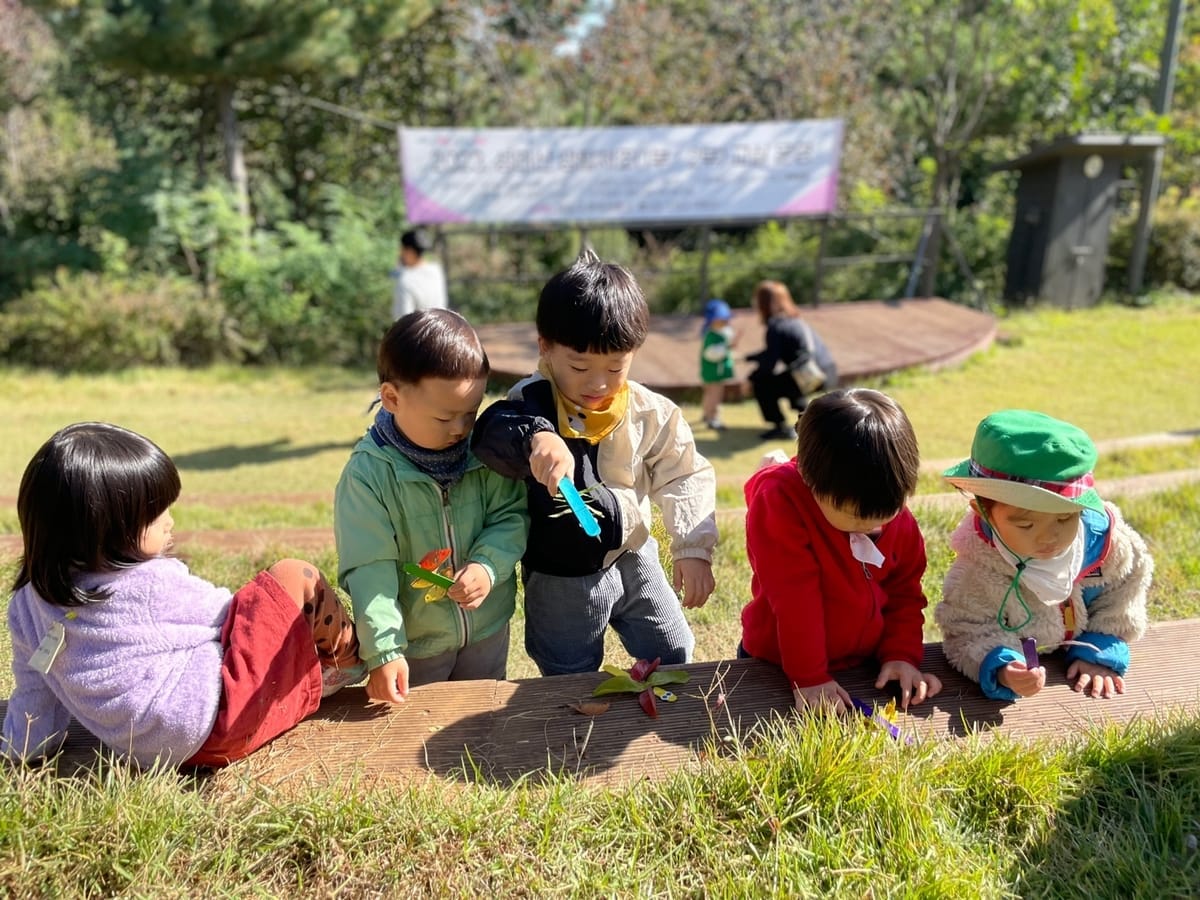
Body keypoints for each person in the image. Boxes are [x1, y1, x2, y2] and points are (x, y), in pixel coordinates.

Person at [2, 422, 364, 769]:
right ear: (103, 530)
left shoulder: (28, 604)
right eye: (154, 515)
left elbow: (35, 689)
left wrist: (22, 746)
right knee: (292, 576)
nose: (169, 521)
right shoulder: (148, 582)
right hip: (220, 722)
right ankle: (346, 663)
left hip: (146, 750)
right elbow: (234, 617)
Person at [471, 247, 718, 676]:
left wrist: (693, 548)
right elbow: (492, 433)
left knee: (673, 650)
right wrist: (538, 438)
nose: (599, 383)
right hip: (561, 574)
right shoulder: (532, 401)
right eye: (580, 367)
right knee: (568, 672)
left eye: (615, 368)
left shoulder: (646, 410)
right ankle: (576, 715)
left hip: (634, 554)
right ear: (546, 347)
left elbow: (685, 473)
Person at [334, 308, 528, 705]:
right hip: (415, 646)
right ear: (392, 398)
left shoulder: (483, 452)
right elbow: (370, 569)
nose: (460, 428)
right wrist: (385, 650)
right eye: (444, 417)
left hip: (486, 630)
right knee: (417, 725)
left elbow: (510, 515)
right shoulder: (369, 476)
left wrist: (487, 567)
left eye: (471, 412)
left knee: (483, 717)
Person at [740, 388, 942, 712]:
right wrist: (808, 677)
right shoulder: (781, 503)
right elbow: (795, 600)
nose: (872, 527)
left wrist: (900, 655)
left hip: (863, 665)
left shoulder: (897, 519)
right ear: (808, 478)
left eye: (886, 514)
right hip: (778, 666)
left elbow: (904, 593)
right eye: (855, 517)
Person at [936, 410, 1153, 702]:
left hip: (1088, 648)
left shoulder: (1107, 545)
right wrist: (1004, 666)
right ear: (984, 513)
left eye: (1065, 519)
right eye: (1025, 524)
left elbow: (1125, 591)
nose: (1049, 537)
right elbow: (968, 629)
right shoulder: (979, 566)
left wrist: (1101, 645)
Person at [746, 280, 837, 441]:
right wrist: (749, 358)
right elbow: (773, 353)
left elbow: (770, 364)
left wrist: (751, 378)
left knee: (762, 383)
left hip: (810, 376)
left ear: (763, 303)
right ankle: (806, 421)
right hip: (828, 372)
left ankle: (779, 426)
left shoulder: (775, 326)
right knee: (788, 379)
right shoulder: (795, 320)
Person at [390, 227, 448, 321]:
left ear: (409, 251)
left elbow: (403, 319)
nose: (400, 253)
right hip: (440, 325)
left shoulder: (405, 280)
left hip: (417, 329)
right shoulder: (436, 270)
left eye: (402, 249)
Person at [699, 297, 737, 431]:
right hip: (714, 372)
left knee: (709, 394)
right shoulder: (712, 336)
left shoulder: (718, 333)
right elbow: (711, 354)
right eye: (722, 319)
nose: (726, 322)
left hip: (711, 372)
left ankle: (706, 414)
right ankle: (713, 418)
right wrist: (727, 348)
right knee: (715, 396)